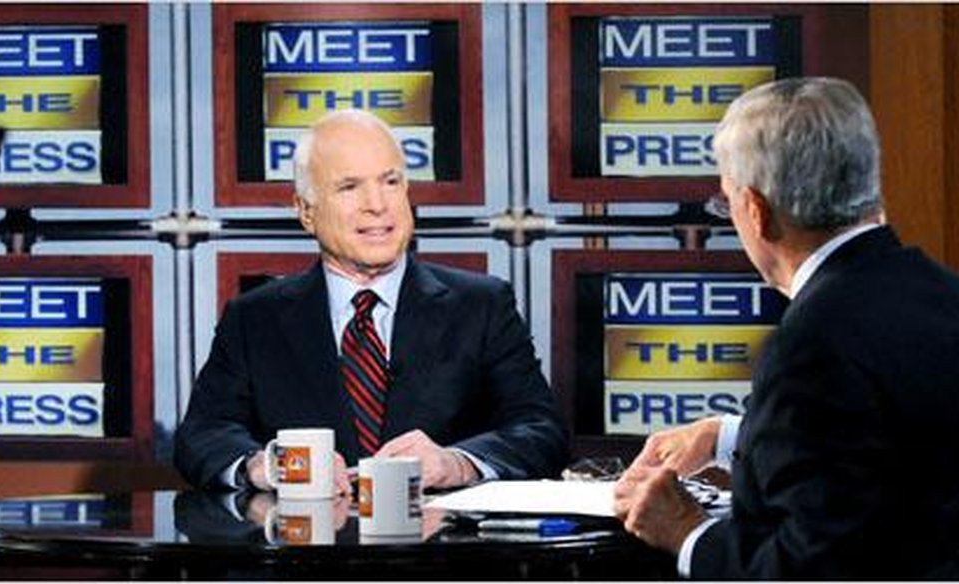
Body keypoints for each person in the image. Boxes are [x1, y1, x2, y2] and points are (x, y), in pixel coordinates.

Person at [612, 77, 959, 579]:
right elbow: (891, 450)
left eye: (725, 203)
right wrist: (730, 436)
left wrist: (686, 531)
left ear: (756, 210)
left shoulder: (813, 341)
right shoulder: (939, 290)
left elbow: (809, 568)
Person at [174, 109, 568, 493]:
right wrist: (266, 466)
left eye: (391, 182)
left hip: (441, 552)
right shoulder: (254, 319)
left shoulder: (482, 306)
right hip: (305, 551)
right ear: (306, 212)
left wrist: (456, 464)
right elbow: (202, 437)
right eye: (349, 187)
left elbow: (541, 432)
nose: (377, 204)